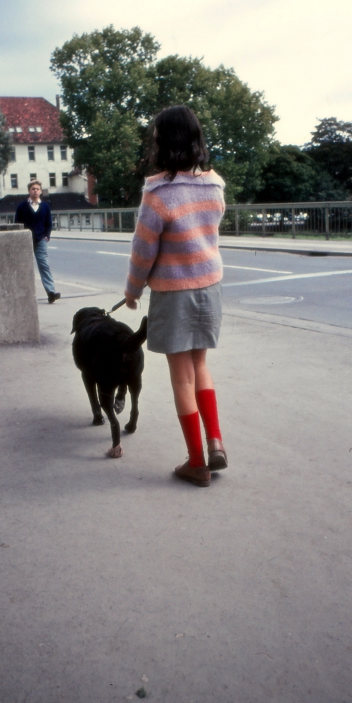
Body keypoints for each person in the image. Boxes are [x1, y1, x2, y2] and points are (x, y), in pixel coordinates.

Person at [124, 105, 227, 488]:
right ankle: (216, 442)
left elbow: (143, 250)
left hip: (174, 293)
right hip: (209, 288)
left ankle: (197, 463)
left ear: (164, 143)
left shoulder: (159, 193)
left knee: (181, 379)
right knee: (201, 367)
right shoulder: (214, 185)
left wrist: (133, 291)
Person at [14, 180, 61, 304]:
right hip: (25, 240)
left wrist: (47, 235)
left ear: (40, 191)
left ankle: (51, 292)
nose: (35, 191)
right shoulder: (22, 206)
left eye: (37, 189)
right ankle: (23, 293)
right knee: (25, 267)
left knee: (44, 265)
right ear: (29, 191)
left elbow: (48, 223)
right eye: (33, 189)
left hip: (40, 240)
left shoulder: (45, 206)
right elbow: (17, 223)